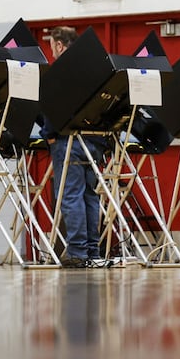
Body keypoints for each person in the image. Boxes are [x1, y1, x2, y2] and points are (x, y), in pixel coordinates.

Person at [41, 26, 106, 268]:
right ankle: (92, 250)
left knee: (70, 196)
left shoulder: (60, 69)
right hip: (94, 140)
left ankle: (77, 251)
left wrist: (49, 136)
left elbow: (51, 106)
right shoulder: (92, 69)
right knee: (90, 195)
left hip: (68, 140)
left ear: (59, 45)